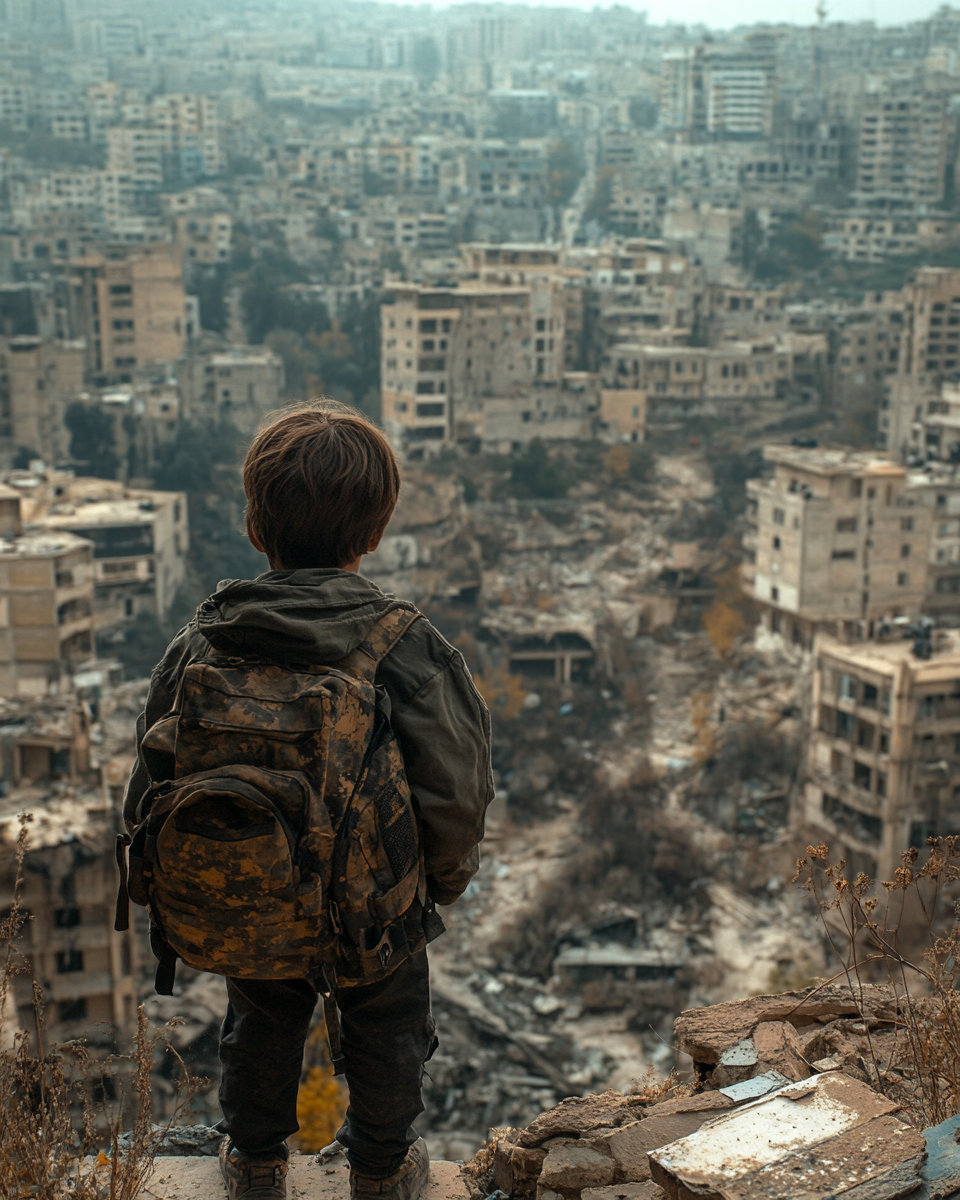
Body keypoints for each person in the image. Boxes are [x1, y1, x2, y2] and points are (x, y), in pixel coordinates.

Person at [124, 402, 493, 1200]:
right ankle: (382, 1168)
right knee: (389, 1026)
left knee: (259, 1019)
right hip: (375, 900)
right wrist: (440, 882)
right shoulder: (406, 643)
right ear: (376, 531)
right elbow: (456, 787)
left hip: (255, 889)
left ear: (257, 526)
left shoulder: (205, 638)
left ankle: (255, 1161)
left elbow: (151, 771)